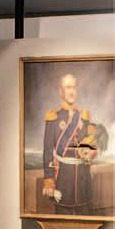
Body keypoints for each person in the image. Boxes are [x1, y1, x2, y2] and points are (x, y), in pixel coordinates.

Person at [42, 72, 107, 216]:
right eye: (68, 87)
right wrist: (49, 181)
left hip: (83, 181)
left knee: (86, 219)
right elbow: (47, 152)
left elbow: (91, 142)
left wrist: (92, 152)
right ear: (61, 91)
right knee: (62, 221)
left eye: (73, 87)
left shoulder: (84, 116)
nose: (71, 91)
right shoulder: (53, 117)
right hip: (63, 182)